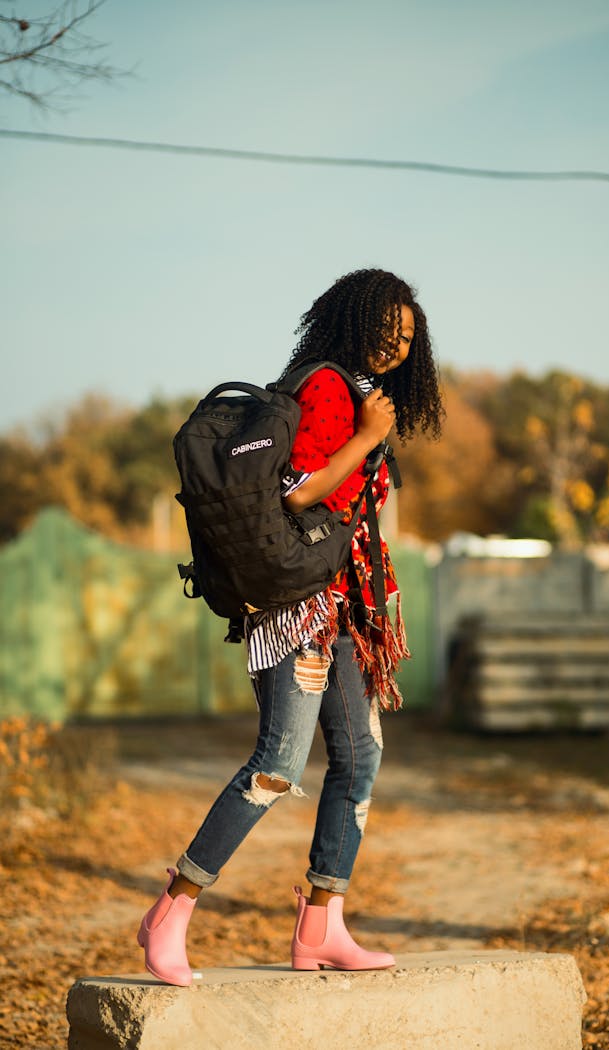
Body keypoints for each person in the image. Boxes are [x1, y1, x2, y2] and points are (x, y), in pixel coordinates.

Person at [137, 268, 443, 985]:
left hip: (339, 608)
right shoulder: (329, 389)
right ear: (350, 320)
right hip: (299, 605)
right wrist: (367, 439)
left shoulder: (356, 391)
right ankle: (171, 910)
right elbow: (299, 489)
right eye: (384, 331)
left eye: (406, 339)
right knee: (278, 762)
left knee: (360, 755)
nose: (394, 348)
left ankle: (323, 923)